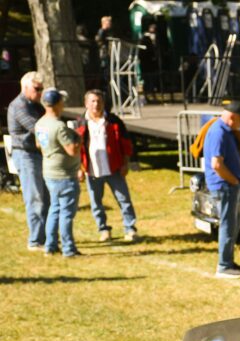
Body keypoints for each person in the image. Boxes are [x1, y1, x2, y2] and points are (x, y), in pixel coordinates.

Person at [75, 90, 139, 242]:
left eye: (99, 101)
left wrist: (125, 163)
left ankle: (130, 228)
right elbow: (76, 148)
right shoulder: (80, 123)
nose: (96, 104)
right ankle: (103, 229)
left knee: (124, 199)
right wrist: (79, 168)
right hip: (92, 170)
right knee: (96, 203)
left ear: (103, 103)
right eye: (92, 101)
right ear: (86, 104)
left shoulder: (114, 121)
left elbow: (125, 143)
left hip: (114, 167)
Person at [203, 101, 240, 278]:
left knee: (233, 222)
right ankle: (223, 265)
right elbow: (217, 164)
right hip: (225, 186)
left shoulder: (223, 131)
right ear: (232, 117)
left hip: (226, 185)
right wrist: (234, 181)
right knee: (228, 225)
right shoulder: (219, 132)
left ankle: (228, 261)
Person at [35, 88, 82, 258]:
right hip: (64, 175)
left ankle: (50, 246)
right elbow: (72, 150)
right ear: (57, 104)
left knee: (54, 209)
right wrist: (79, 136)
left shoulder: (40, 123)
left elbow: (39, 145)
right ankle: (69, 249)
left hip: (49, 172)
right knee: (66, 213)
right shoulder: (59, 126)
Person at [8, 71, 48, 251]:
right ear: (25, 88)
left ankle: (46, 237)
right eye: (37, 89)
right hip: (25, 155)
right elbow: (38, 128)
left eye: (41, 89)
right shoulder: (19, 106)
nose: (40, 92)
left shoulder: (36, 105)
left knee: (46, 197)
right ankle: (35, 241)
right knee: (35, 198)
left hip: (38, 154)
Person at [139, 23, 162, 100]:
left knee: (152, 79)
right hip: (147, 63)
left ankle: (151, 94)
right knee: (148, 79)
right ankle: (147, 95)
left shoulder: (155, 37)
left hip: (151, 63)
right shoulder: (145, 38)